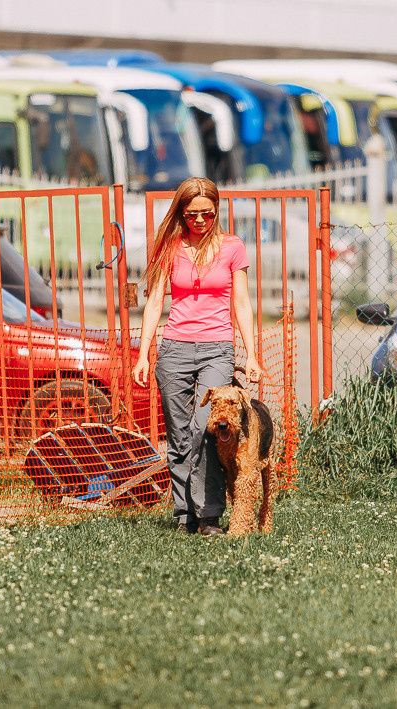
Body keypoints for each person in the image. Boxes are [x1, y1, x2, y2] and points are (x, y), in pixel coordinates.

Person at [133, 178, 261, 537]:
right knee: (178, 434)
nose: (200, 220)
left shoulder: (233, 247)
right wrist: (144, 354)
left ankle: (209, 516)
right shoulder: (170, 248)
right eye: (192, 214)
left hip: (217, 348)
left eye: (207, 213)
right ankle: (184, 513)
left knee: (207, 428)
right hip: (174, 348)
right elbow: (155, 302)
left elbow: (242, 302)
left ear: (216, 210)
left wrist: (251, 354)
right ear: (181, 212)